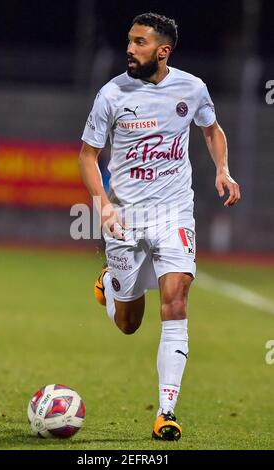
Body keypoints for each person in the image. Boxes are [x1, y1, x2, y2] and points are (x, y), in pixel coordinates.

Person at [79, 12, 240, 441]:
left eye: (139, 42)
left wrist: (222, 169)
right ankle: (112, 286)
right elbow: (86, 156)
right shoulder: (112, 93)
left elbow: (211, 129)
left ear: (162, 51)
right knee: (129, 323)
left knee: (176, 298)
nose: (129, 49)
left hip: (174, 214)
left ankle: (166, 412)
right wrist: (103, 207)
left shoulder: (191, 88)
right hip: (125, 217)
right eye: (129, 41)